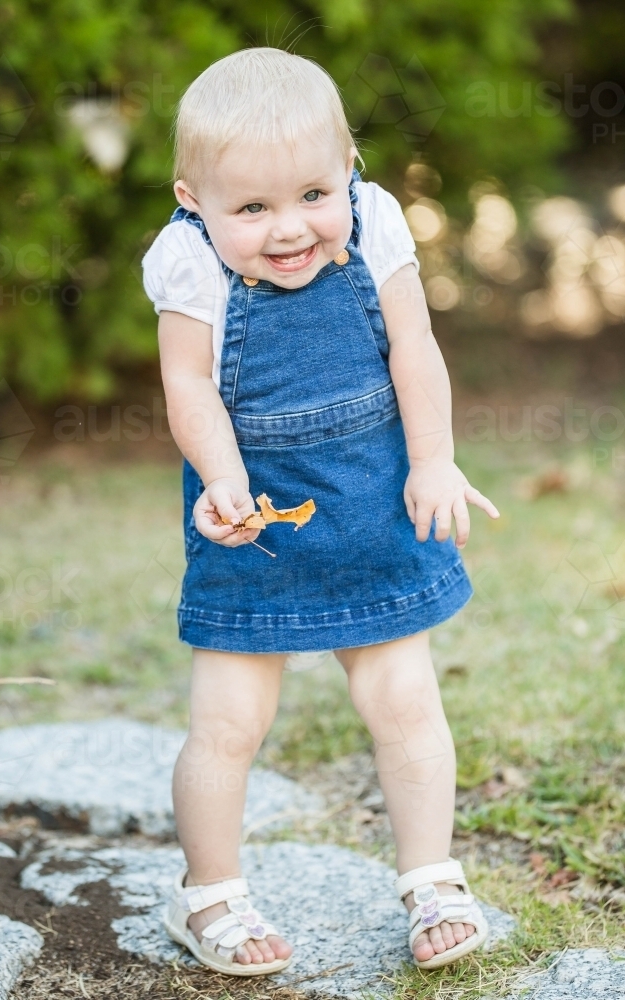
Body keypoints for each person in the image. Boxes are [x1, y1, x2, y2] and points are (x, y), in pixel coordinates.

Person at [142, 46, 500, 977]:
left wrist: (432, 460)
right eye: (250, 209)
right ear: (193, 200)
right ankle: (210, 895)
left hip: (373, 494)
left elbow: (413, 347)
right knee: (229, 720)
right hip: (249, 513)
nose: (289, 227)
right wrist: (220, 478)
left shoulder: (375, 225)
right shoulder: (186, 262)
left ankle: (430, 878)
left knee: (404, 699)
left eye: (311, 193)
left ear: (349, 169)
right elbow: (188, 386)